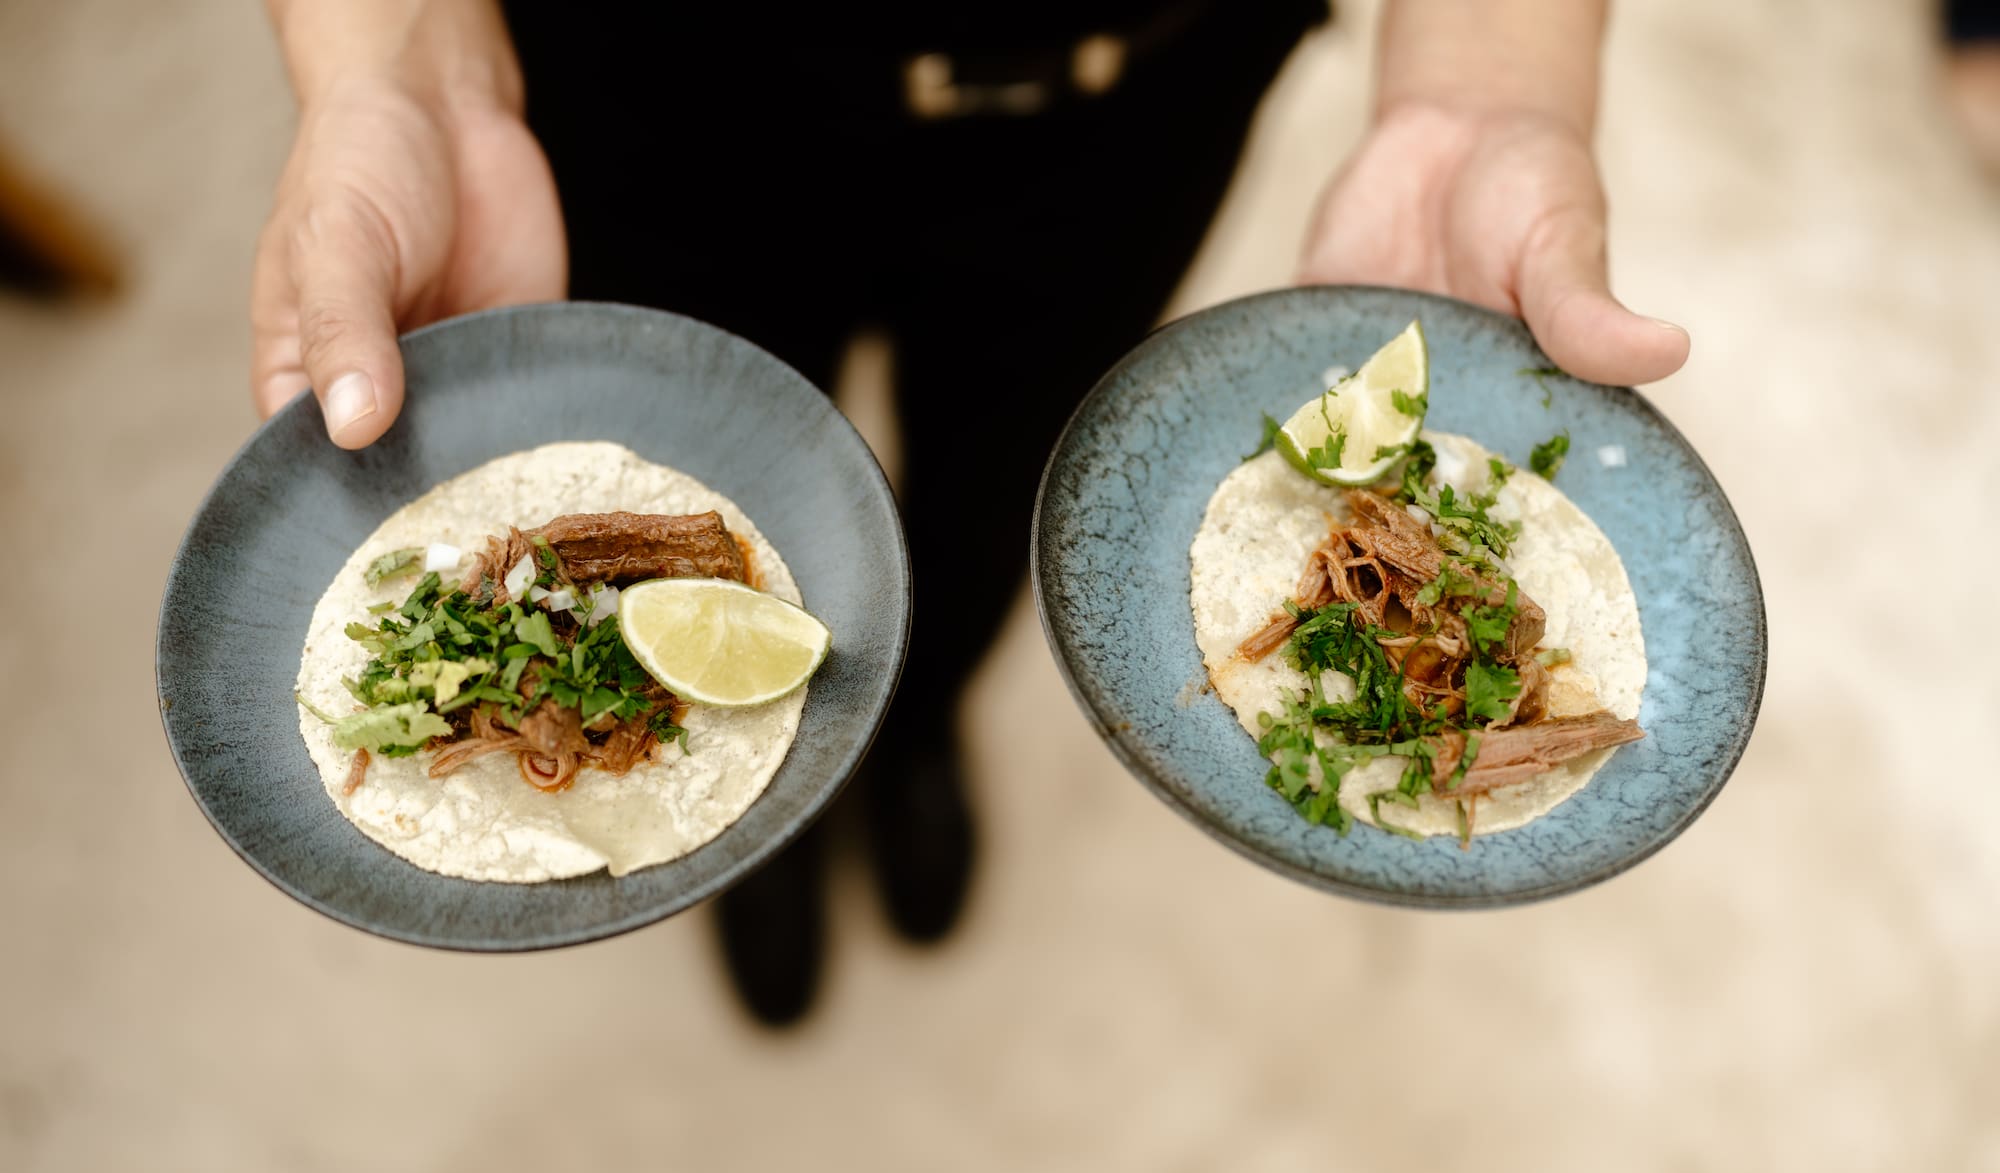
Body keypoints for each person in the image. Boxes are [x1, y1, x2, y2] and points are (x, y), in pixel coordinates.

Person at [250, 0, 1688, 1026]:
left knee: (1016, 479)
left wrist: (1492, 81)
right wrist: (391, 55)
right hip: (658, 80)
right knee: (689, 517)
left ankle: (919, 719)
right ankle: (771, 801)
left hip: (1143, 96)